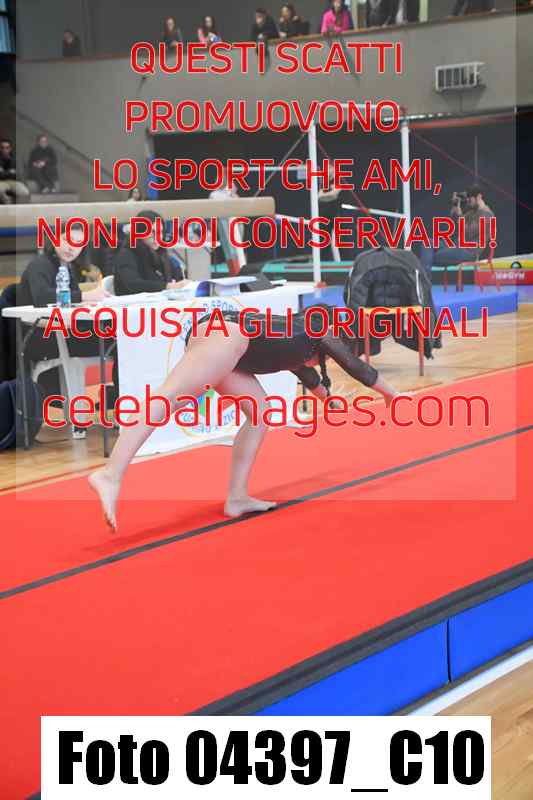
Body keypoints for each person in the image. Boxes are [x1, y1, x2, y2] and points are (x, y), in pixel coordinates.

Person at [89, 304, 406, 529]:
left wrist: (329, 400)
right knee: (169, 397)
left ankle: (237, 497)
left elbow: (306, 374)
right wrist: (391, 394)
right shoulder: (316, 331)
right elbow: (355, 365)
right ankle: (111, 474)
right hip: (225, 334)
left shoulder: (296, 337)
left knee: (260, 412)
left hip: (229, 343)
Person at [17, 224, 113, 397]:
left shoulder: (68, 267)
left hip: (62, 331)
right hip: (43, 337)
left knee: (119, 336)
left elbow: (69, 302)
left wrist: (86, 303)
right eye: (68, 240)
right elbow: (42, 298)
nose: (72, 247)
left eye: (78, 243)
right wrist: (84, 296)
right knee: (117, 340)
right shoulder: (39, 264)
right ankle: (119, 398)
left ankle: (118, 396)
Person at [420, 185, 495, 276]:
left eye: (470, 199)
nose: (468, 201)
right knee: (428, 242)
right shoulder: (472, 212)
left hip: (469, 251)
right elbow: (455, 217)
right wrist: (455, 206)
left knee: (428, 258)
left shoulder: (487, 215)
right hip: (458, 245)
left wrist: (459, 215)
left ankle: (423, 279)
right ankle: (423, 278)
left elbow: (468, 232)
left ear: (478, 197)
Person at [114, 209, 188, 295]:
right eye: (152, 232)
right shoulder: (126, 254)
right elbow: (133, 284)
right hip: (132, 302)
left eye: (160, 232)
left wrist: (183, 283)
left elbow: (176, 278)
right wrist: (167, 286)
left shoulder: (160, 252)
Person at [209, 167, 241, 276]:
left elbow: (239, 204)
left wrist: (233, 194)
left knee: (239, 249)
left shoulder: (231, 192)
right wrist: (211, 231)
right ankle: (234, 272)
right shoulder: (214, 194)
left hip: (236, 221)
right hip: (224, 222)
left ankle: (241, 269)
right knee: (230, 250)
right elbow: (212, 214)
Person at [318, 164, 343, 262]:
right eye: (326, 169)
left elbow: (334, 195)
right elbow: (318, 196)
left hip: (336, 213)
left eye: (330, 169)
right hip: (325, 215)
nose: (328, 171)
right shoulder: (322, 182)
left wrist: (325, 196)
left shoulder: (338, 180)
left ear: (334, 170)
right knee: (324, 240)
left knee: (338, 239)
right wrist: (326, 196)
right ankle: (323, 261)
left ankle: (341, 261)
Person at [0, 139, 30, 204]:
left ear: (10, 149)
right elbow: (1, 175)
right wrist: (10, 172)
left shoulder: (14, 159)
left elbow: (19, 173)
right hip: (1, 182)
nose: (5, 150)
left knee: (25, 192)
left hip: (14, 181)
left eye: (7, 148)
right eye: (2, 148)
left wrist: (5, 172)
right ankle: (8, 203)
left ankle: (15, 205)